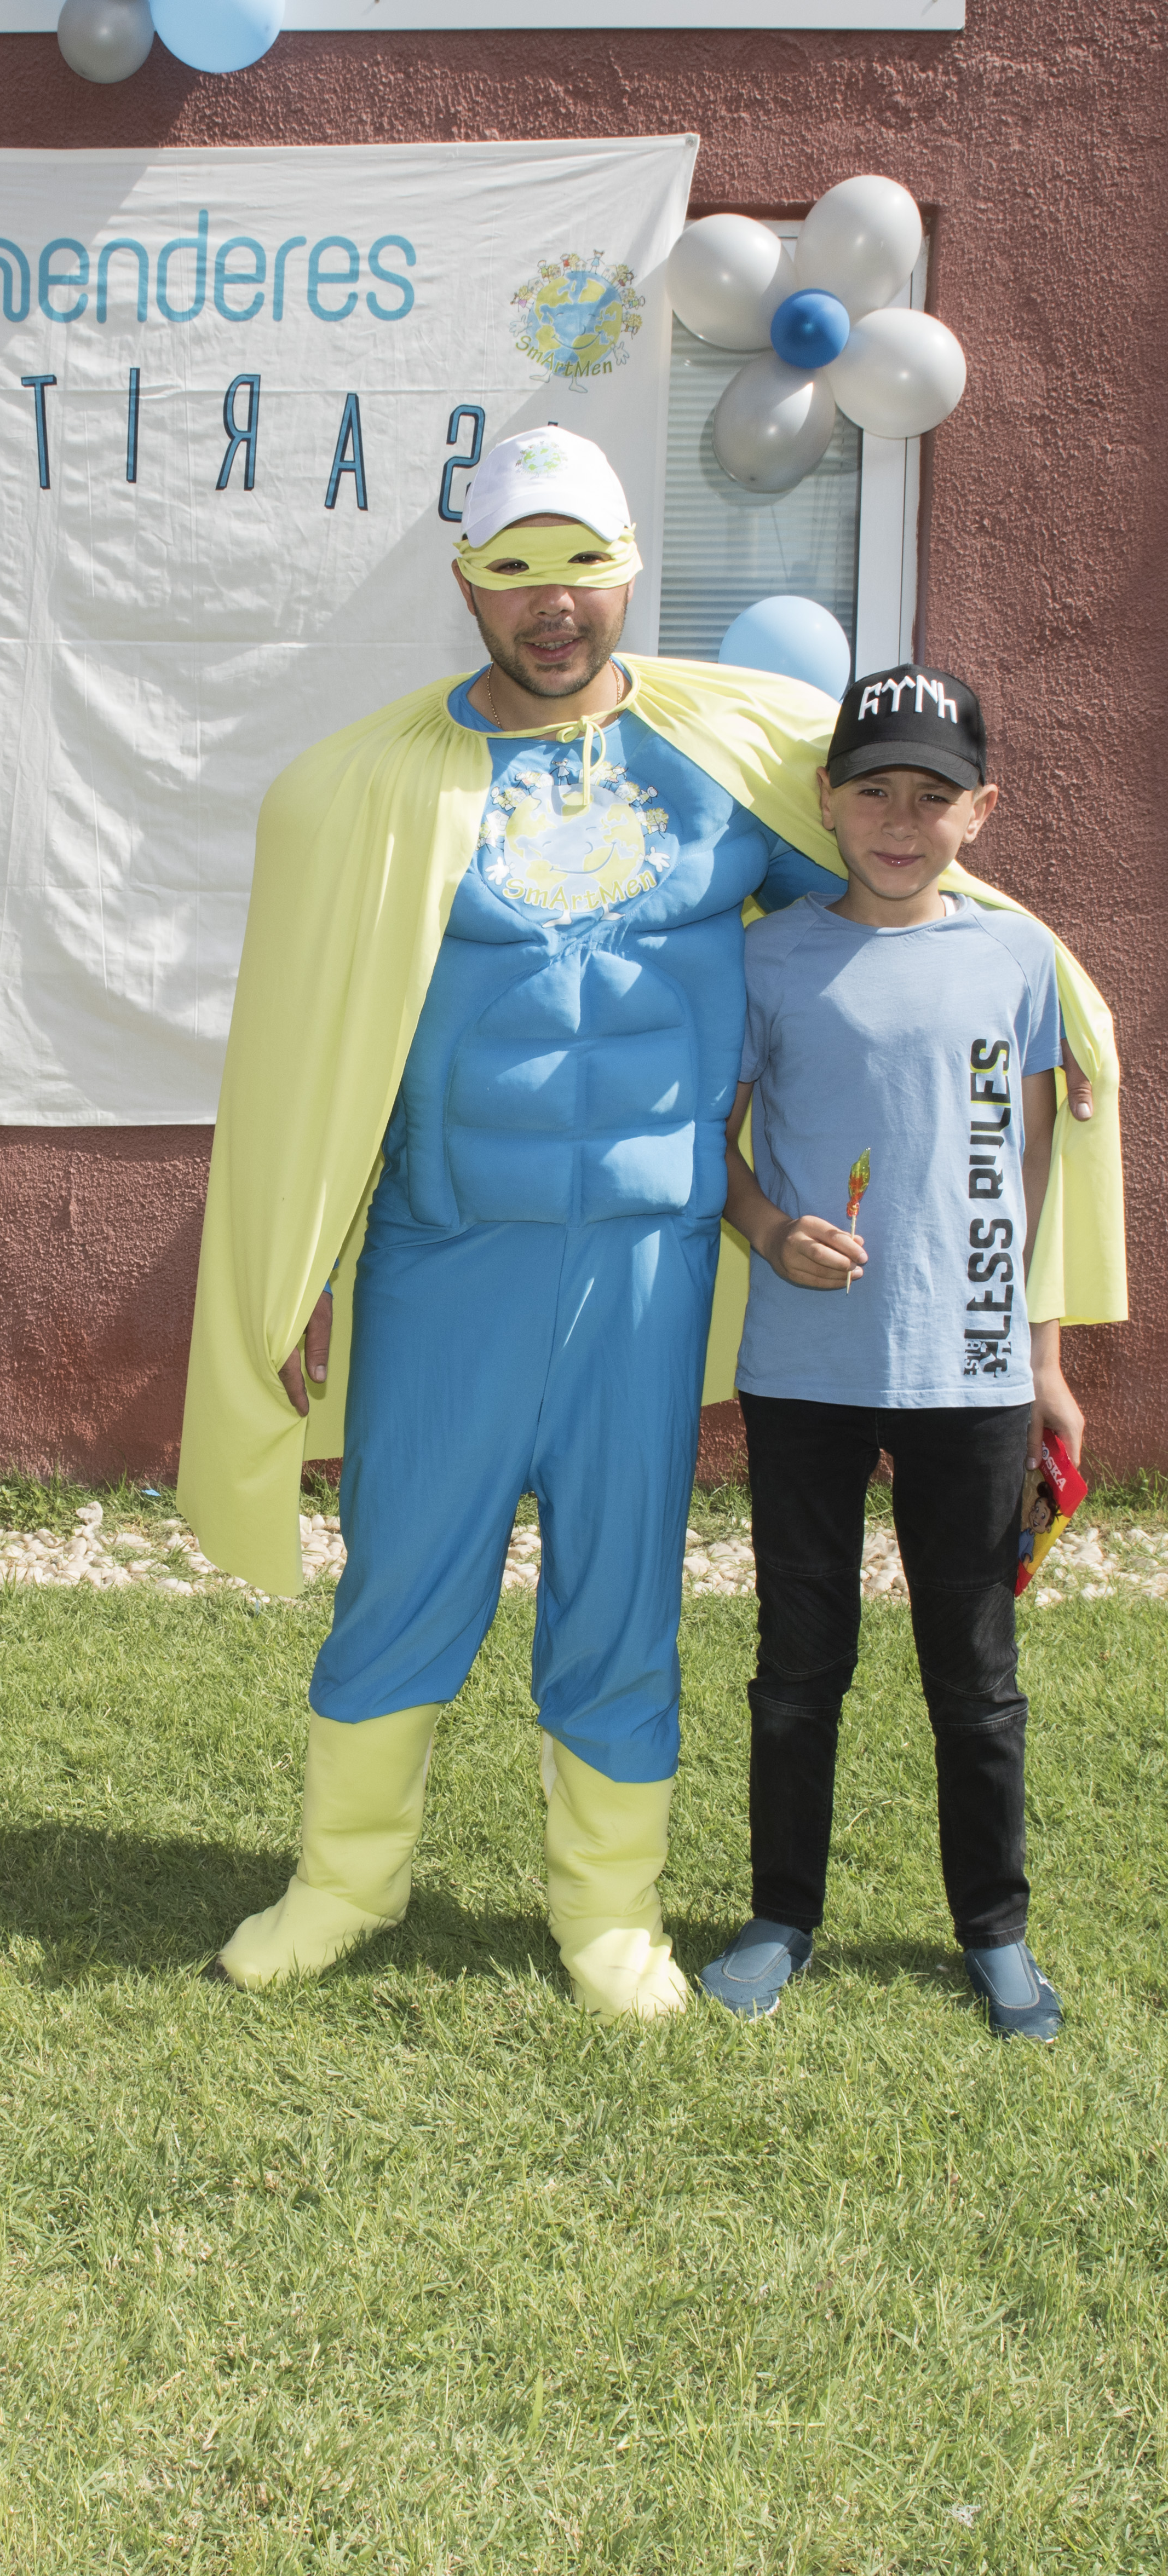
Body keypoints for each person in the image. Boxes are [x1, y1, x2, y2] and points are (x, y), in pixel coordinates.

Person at [177, 429, 1123, 2020]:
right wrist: (297, 1268)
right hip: (447, 1252)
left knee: (621, 1582)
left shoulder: (732, 768)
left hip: (649, 1263)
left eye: (583, 568)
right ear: (467, 583)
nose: (553, 604)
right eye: (517, 570)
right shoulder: (372, 795)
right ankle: (346, 1876)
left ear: (630, 574)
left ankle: (606, 1909)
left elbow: (905, 883)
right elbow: (310, 1050)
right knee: (405, 1565)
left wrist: (1057, 1004)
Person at [699, 669, 1080, 2039]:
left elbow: (1031, 1176)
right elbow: (713, 1139)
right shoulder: (770, 957)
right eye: (875, 791)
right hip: (805, 1369)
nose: (902, 821)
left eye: (934, 796)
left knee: (973, 1674)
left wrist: (1041, 1357)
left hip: (969, 1370)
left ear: (983, 811)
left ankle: (995, 1930)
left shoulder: (1017, 962)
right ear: (827, 800)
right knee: (800, 1660)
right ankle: (780, 1915)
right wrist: (768, 1232)